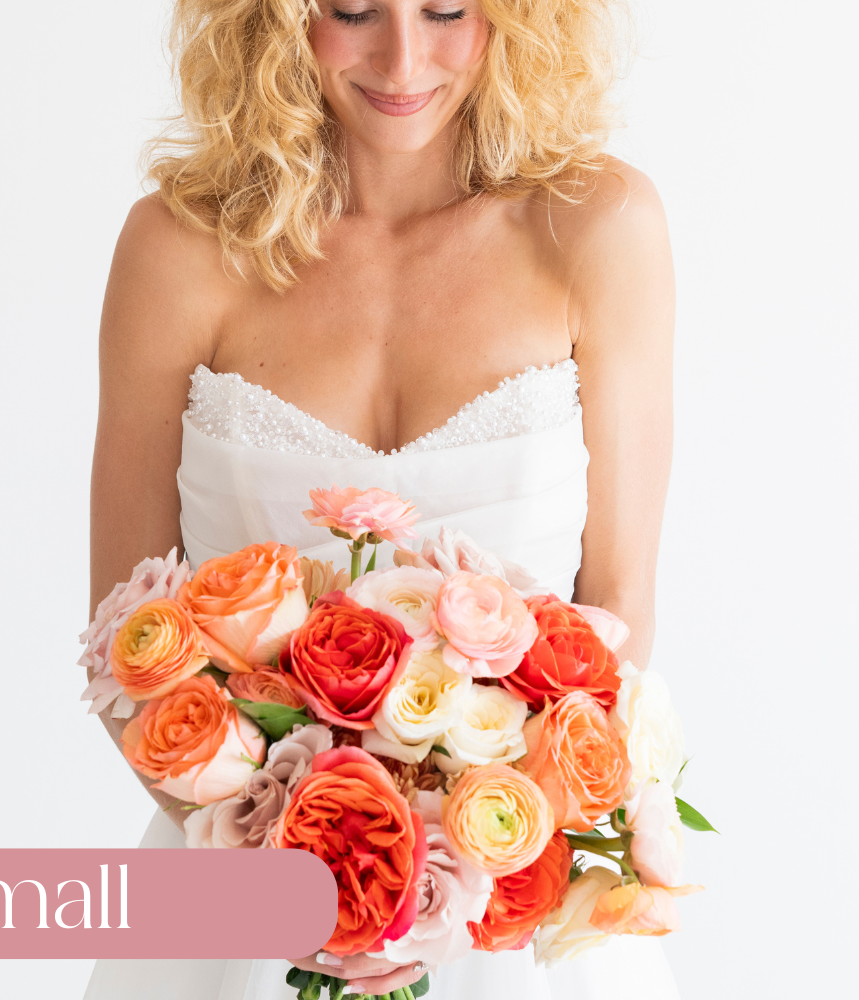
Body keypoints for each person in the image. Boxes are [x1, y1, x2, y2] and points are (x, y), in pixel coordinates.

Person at [84, 0, 678, 997]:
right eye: (352, 10)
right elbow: (124, 641)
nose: (403, 60)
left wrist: (462, 873)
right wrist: (293, 879)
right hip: (236, 912)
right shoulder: (174, 248)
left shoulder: (598, 228)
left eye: (446, 9)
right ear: (275, 17)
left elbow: (618, 604)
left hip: (511, 909)